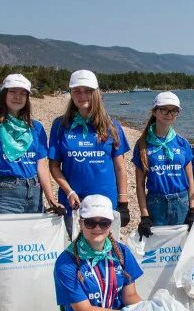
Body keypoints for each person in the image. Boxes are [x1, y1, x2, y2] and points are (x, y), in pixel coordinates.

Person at [53, 195, 144, 311]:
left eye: (103, 223)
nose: (97, 228)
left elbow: (130, 295)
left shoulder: (122, 252)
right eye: (91, 222)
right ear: (80, 222)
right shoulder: (66, 262)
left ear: (110, 224)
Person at [48, 70, 132, 226]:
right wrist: (69, 191)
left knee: (104, 247)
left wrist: (124, 203)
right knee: (74, 247)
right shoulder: (60, 125)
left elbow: (120, 168)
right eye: (77, 91)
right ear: (71, 94)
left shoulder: (112, 126)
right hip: (73, 201)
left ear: (97, 93)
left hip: (106, 202)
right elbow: (53, 166)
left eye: (88, 91)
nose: (82, 95)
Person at [0, 74, 61, 215]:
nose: (18, 97)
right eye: (12, 92)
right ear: (4, 94)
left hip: (35, 193)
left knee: (32, 237)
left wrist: (51, 200)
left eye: (23, 93)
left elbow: (41, 166)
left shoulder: (37, 128)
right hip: (6, 194)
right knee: (6, 236)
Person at [133, 92, 194, 234]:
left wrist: (192, 208)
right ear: (155, 112)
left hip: (181, 202)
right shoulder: (142, 144)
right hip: (156, 203)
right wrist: (144, 215)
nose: (169, 114)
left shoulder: (182, 143)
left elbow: (190, 180)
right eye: (164, 109)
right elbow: (139, 184)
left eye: (174, 110)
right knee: (158, 250)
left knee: (181, 248)